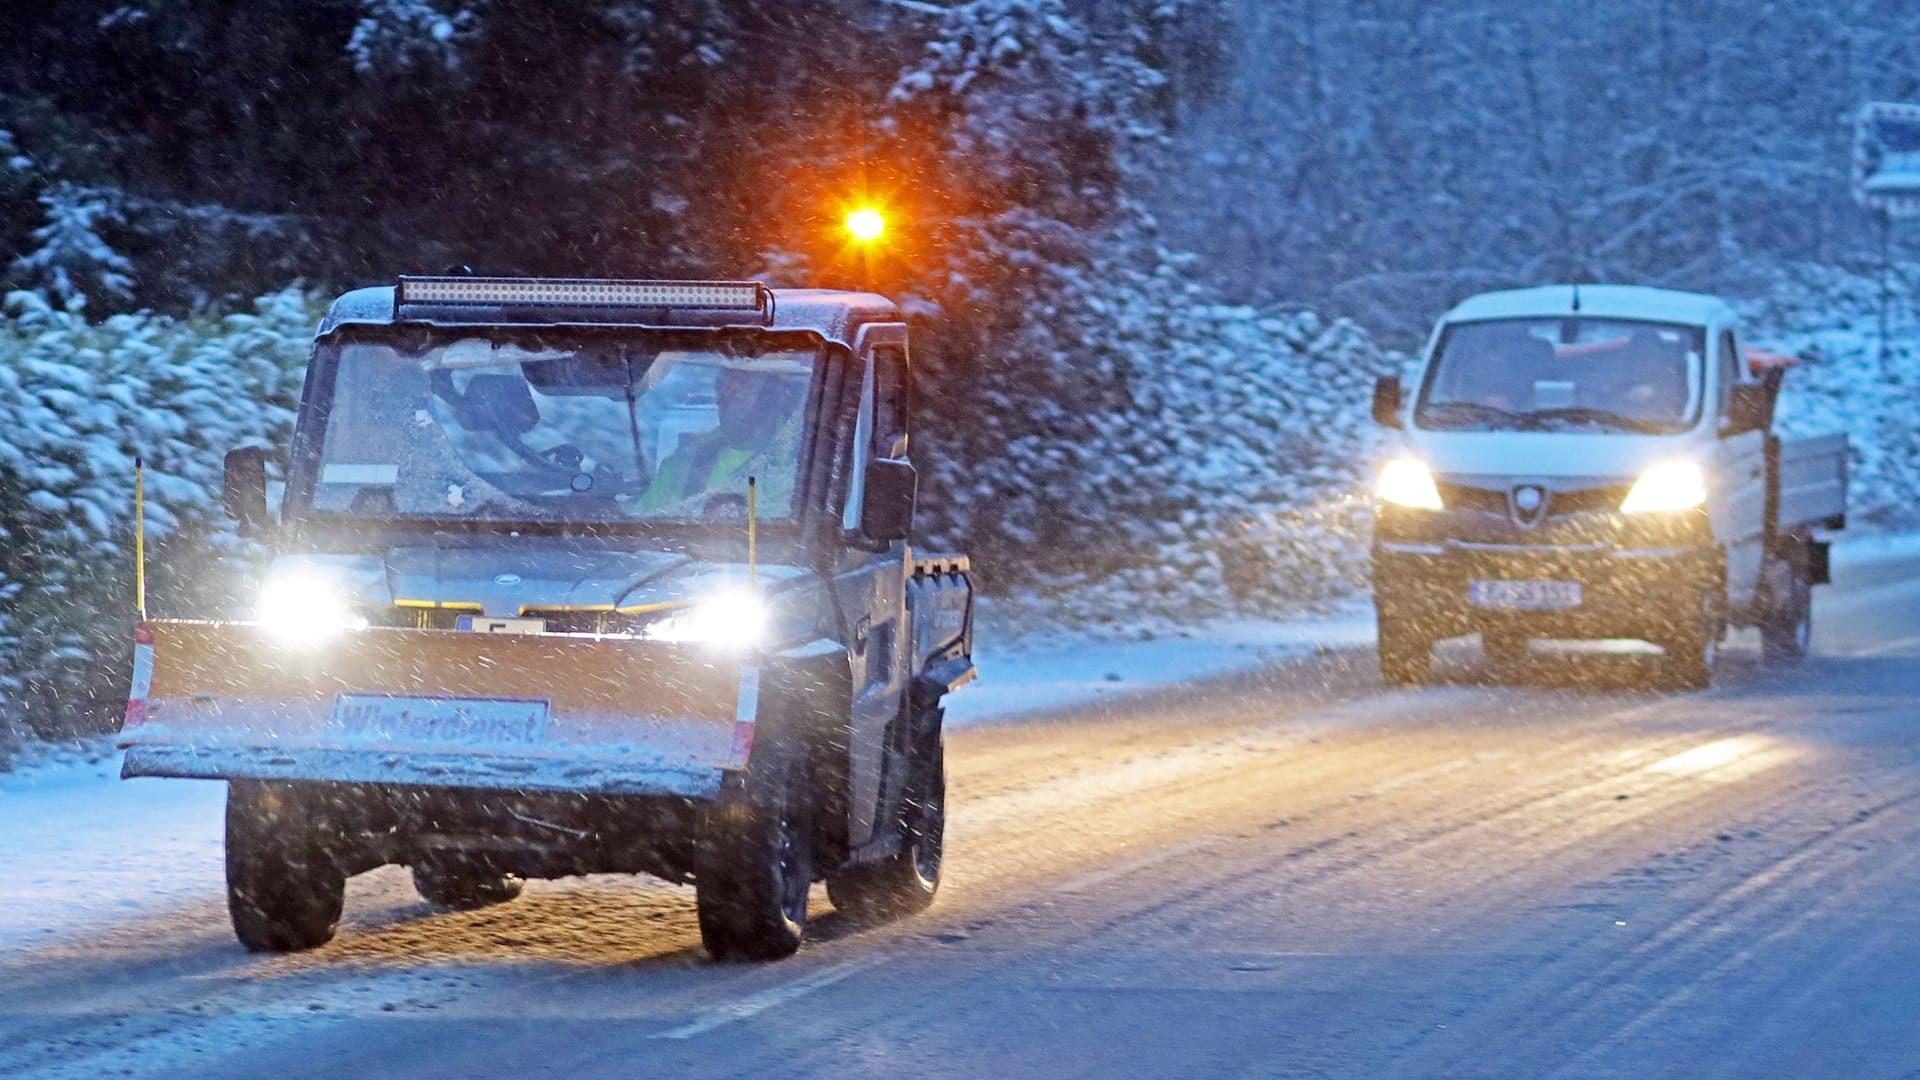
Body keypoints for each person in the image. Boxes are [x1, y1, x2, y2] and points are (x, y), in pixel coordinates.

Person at [635, 365, 802, 514]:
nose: (729, 394)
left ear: (775, 396)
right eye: (726, 386)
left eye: (744, 385)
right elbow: (637, 538)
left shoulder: (801, 462)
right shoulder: (677, 466)